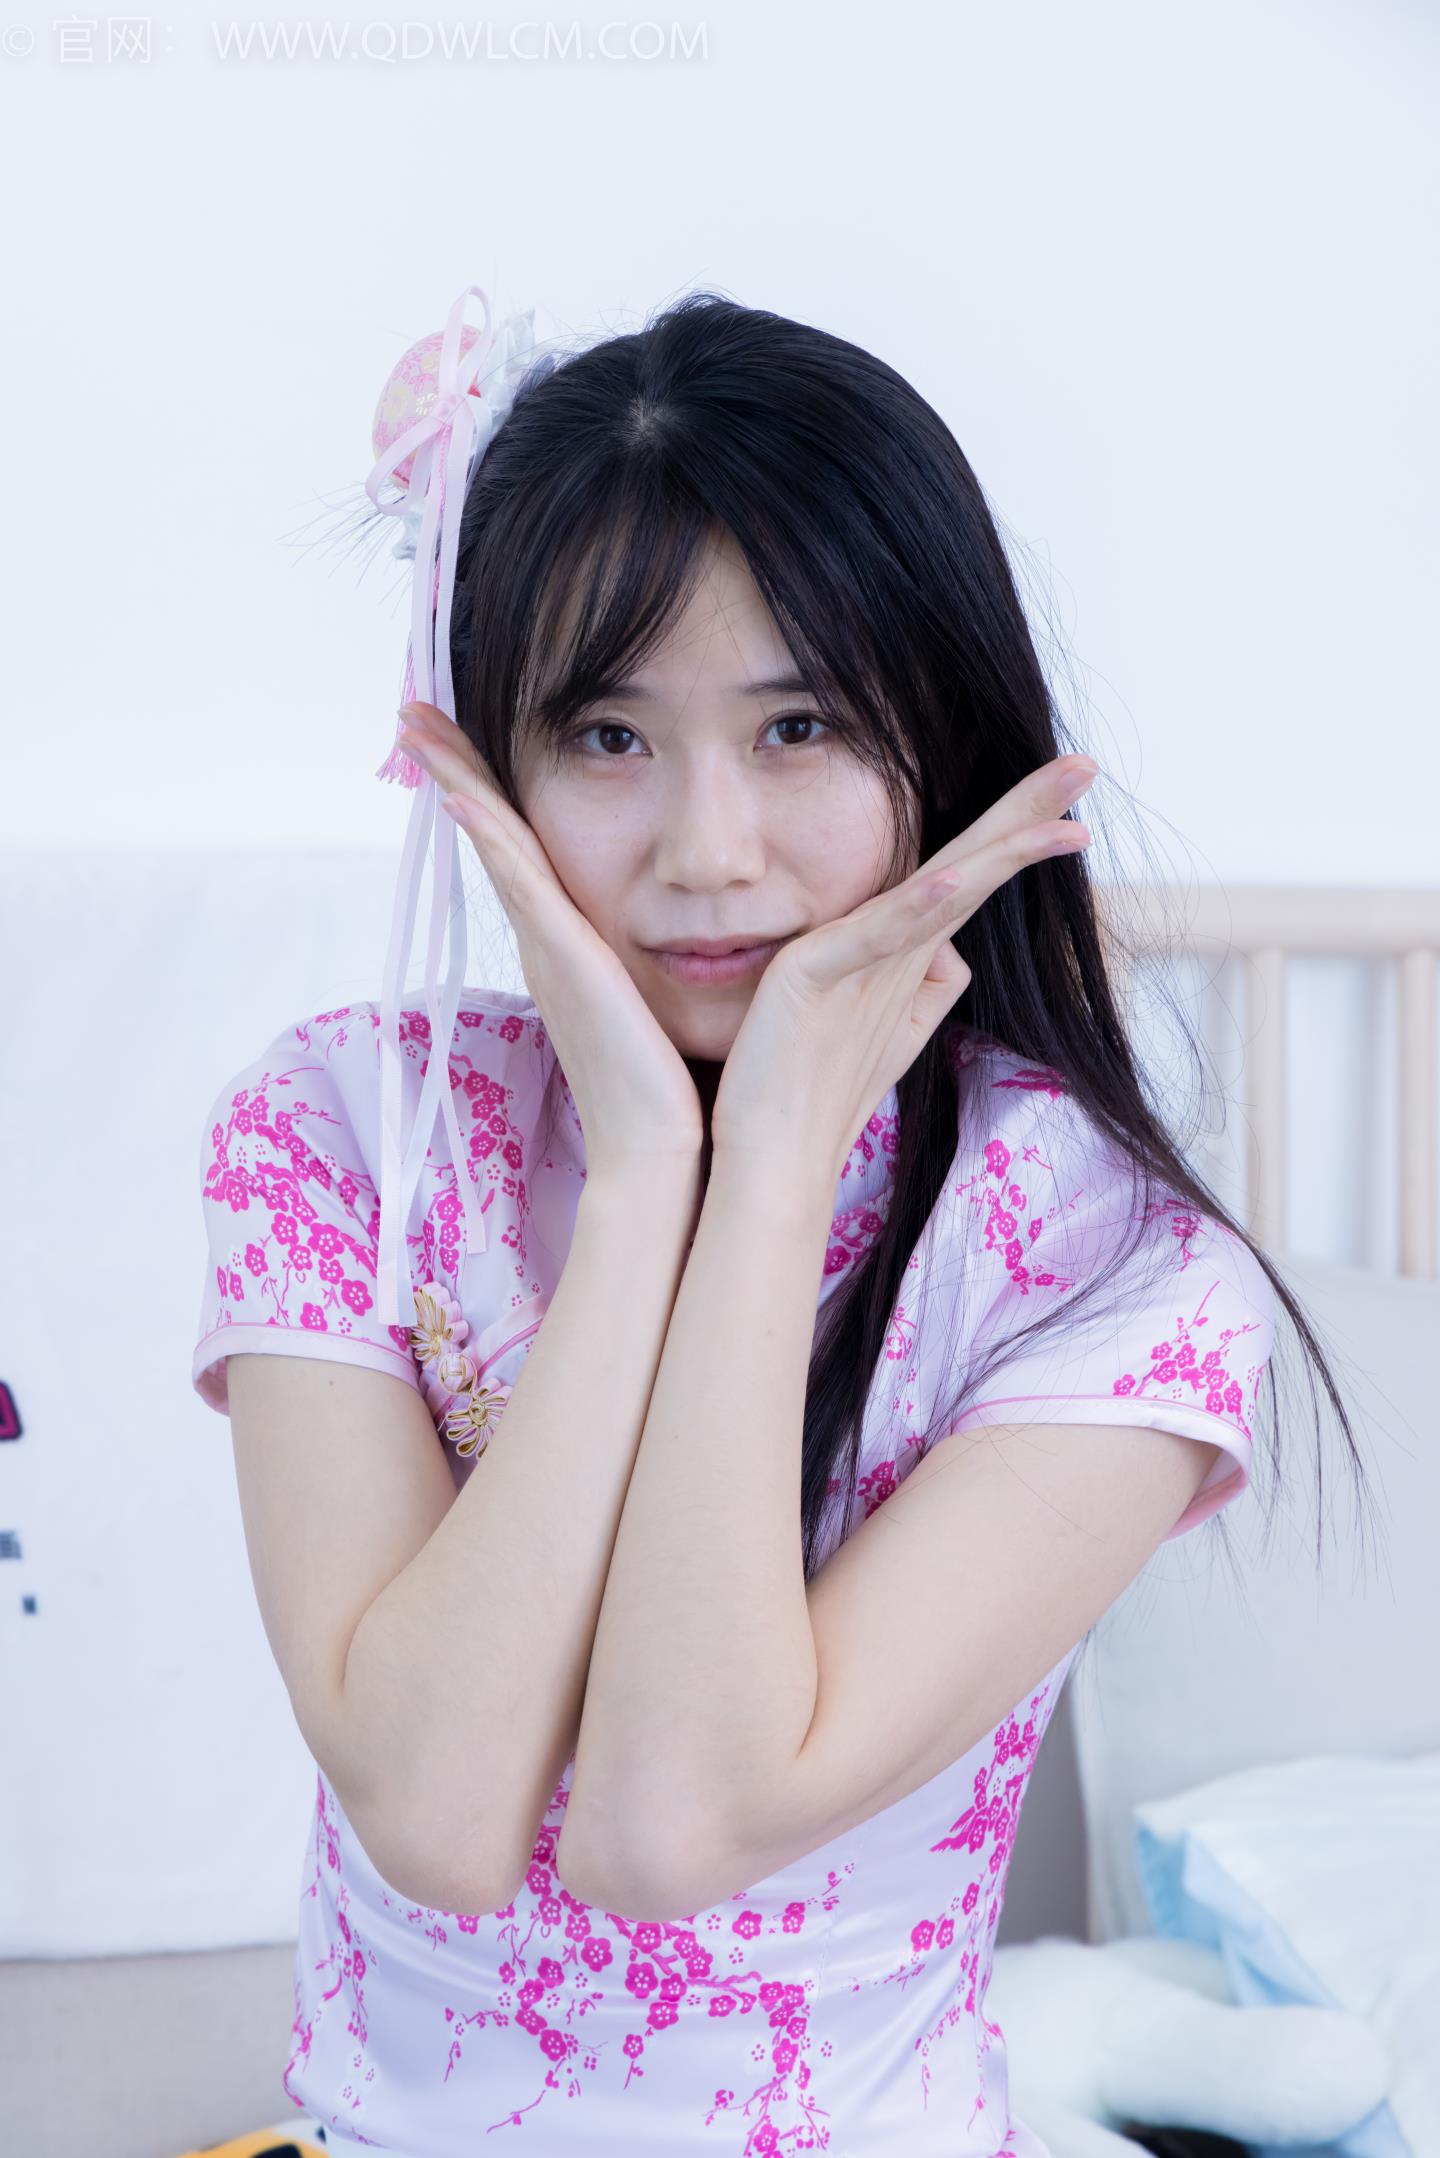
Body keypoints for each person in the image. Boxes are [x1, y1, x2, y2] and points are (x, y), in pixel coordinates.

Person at [190, 290, 1369, 2157]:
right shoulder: (347, 1128)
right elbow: (433, 1809)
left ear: (945, 741)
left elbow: (671, 1825)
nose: (707, 850)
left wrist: (764, 1182)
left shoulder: (1115, 1264)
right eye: (607, 734)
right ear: (482, 765)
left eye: (799, 725)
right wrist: (645, 1179)